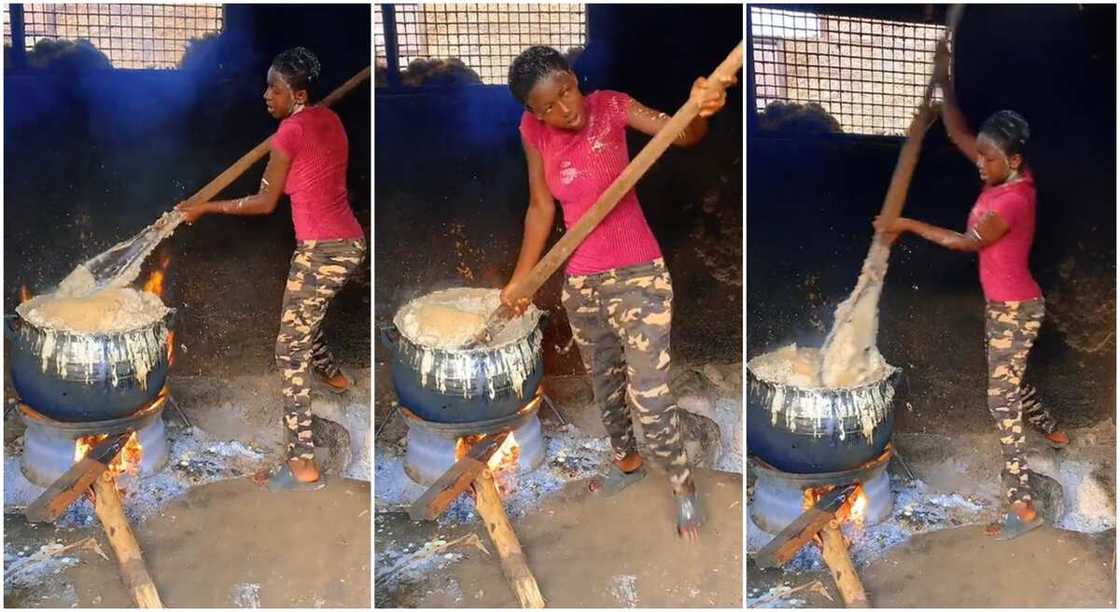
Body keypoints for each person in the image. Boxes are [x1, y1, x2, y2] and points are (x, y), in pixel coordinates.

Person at [501, 46, 735, 539]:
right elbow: (540, 206)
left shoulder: (611, 106)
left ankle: (682, 487)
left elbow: (683, 135)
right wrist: (523, 280)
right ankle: (626, 464)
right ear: (532, 113)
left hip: (638, 274)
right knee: (606, 387)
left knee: (648, 395)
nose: (564, 111)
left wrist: (700, 109)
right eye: (547, 107)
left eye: (565, 92)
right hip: (581, 282)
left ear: (572, 77)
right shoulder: (533, 132)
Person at [876, 40, 1068, 541]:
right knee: (1009, 373)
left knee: (1000, 402)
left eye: (988, 159)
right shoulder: (998, 168)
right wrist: (942, 76)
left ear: (1015, 159)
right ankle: (1050, 424)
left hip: (1017, 309)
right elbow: (959, 130)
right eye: (979, 157)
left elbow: (967, 243)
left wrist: (906, 223)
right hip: (1004, 307)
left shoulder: (1017, 201)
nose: (979, 164)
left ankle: (1022, 507)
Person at [177, 47, 366, 491]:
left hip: (323, 249)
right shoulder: (327, 120)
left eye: (274, 89)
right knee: (301, 314)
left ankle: (302, 464)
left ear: (297, 94)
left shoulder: (288, 135)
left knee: (288, 349)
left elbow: (264, 202)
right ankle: (335, 377)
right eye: (267, 86)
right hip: (348, 242)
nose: (266, 95)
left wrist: (205, 207)